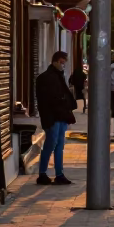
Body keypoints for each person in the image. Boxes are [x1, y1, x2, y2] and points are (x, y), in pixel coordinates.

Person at [34, 50, 76, 185]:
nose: (64, 66)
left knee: (59, 145)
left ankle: (59, 174)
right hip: (53, 118)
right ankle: (43, 173)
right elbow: (47, 101)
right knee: (51, 144)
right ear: (56, 61)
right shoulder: (46, 78)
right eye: (62, 63)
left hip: (61, 117)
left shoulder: (59, 76)